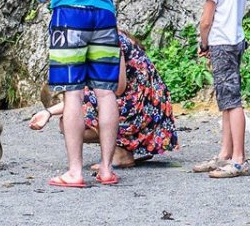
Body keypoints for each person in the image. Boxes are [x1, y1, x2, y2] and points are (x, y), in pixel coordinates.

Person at [30, 0, 125, 188]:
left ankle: (75, 171)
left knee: (73, 92)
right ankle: (107, 168)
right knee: (106, 92)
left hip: (70, 14)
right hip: (104, 14)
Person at [29, 31, 179, 168]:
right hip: (133, 101)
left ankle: (121, 153)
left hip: (144, 106)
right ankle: (121, 148)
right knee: (68, 121)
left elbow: (118, 88)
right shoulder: (93, 39)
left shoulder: (108, 39)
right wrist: (48, 113)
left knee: (76, 116)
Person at [192, 0, 250, 179]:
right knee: (226, 100)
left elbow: (206, 19)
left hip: (221, 42)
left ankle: (238, 158)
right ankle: (225, 153)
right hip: (236, 38)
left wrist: (203, 43)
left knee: (232, 101)